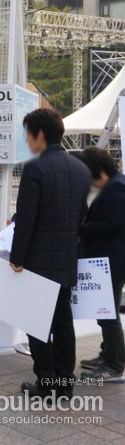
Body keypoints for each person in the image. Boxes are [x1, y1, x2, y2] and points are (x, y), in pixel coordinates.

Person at [10, 108, 91, 399]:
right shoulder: (81, 169)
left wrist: (17, 257)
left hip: (39, 260)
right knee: (63, 320)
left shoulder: (35, 168)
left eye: (28, 134)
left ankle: (46, 383)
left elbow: (27, 219)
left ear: (40, 135)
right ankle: (65, 383)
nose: (27, 140)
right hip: (67, 257)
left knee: (37, 321)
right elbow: (81, 216)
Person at [73, 147, 125, 382]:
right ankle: (108, 355)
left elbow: (115, 224)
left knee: (108, 314)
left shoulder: (116, 188)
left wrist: (83, 229)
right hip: (111, 259)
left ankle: (114, 365)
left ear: (101, 171)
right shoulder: (115, 184)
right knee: (105, 311)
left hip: (113, 260)